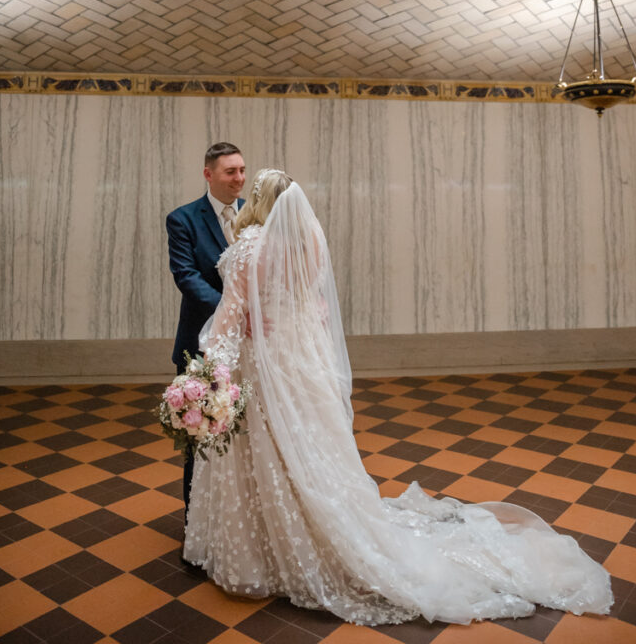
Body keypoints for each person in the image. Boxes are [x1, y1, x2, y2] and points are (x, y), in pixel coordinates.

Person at [184, 170, 613, 626]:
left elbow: (230, 317)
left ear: (258, 199)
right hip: (298, 367)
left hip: (262, 369)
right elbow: (317, 309)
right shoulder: (307, 244)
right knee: (309, 452)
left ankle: (262, 553)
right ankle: (317, 535)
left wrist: (208, 369)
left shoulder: (248, 248)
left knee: (264, 453)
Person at [166, 142, 246, 516]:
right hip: (201, 343)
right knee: (199, 434)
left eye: (242, 170)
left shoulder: (254, 215)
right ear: (208, 174)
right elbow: (187, 277)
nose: (239, 179)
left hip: (250, 346)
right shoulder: (183, 219)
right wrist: (233, 312)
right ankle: (194, 519)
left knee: (245, 435)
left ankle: (237, 517)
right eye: (231, 172)